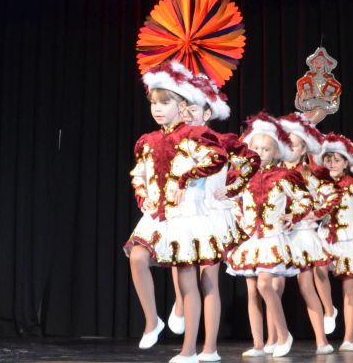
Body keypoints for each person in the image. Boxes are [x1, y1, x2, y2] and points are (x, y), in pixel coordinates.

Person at [123, 61, 228, 363]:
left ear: (181, 106)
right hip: (157, 215)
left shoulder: (193, 136)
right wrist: (142, 195)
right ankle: (152, 321)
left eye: (164, 103)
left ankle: (190, 350)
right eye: (154, 103)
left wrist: (185, 178)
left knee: (187, 279)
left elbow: (217, 157)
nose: (157, 108)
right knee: (137, 256)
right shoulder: (148, 141)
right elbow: (139, 174)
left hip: (186, 214)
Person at [166, 72, 260, 362]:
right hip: (185, 213)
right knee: (180, 267)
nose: (188, 113)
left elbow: (252, 161)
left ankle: (208, 348)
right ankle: (180, 306)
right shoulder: (176, 140)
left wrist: (231, 188)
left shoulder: (223, 141)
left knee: (208, 279)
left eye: (194, 108)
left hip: (212, 215)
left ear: (208, 113)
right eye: (185, 107)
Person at [226, 113, 312, 358]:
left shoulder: (284, 176)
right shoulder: (244, 176)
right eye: (256, 148)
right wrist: (242, 220)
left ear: (276, 152)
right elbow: (232, 200)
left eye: (266, 149)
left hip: (273, 237)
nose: (261, 153)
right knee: (253, 291)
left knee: (265, 283)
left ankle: (283, 334)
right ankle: (258, 344)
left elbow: (305, 200)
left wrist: (292, 215)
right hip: (251, 239)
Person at [276, 112, 335, 354]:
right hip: (278, 234)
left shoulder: (311, 173)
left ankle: (322, 341)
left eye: (294, 145)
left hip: (301, 233)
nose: (289, 148)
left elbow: (331, 197)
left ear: (303, 150)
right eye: (286, 143)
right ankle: (275, 339)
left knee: (306, 287)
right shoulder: (273, 171)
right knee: (273, 287)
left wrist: (316, 213)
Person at [314, 133, 353, 352]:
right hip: (325, 236)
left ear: (346, 163)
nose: (332, 164)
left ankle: (349, 338)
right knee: (318, 269)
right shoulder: (320, 185)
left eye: (336, 160)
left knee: (350, 285)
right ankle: (329, 310)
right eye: (328, 160)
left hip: (349, 237)